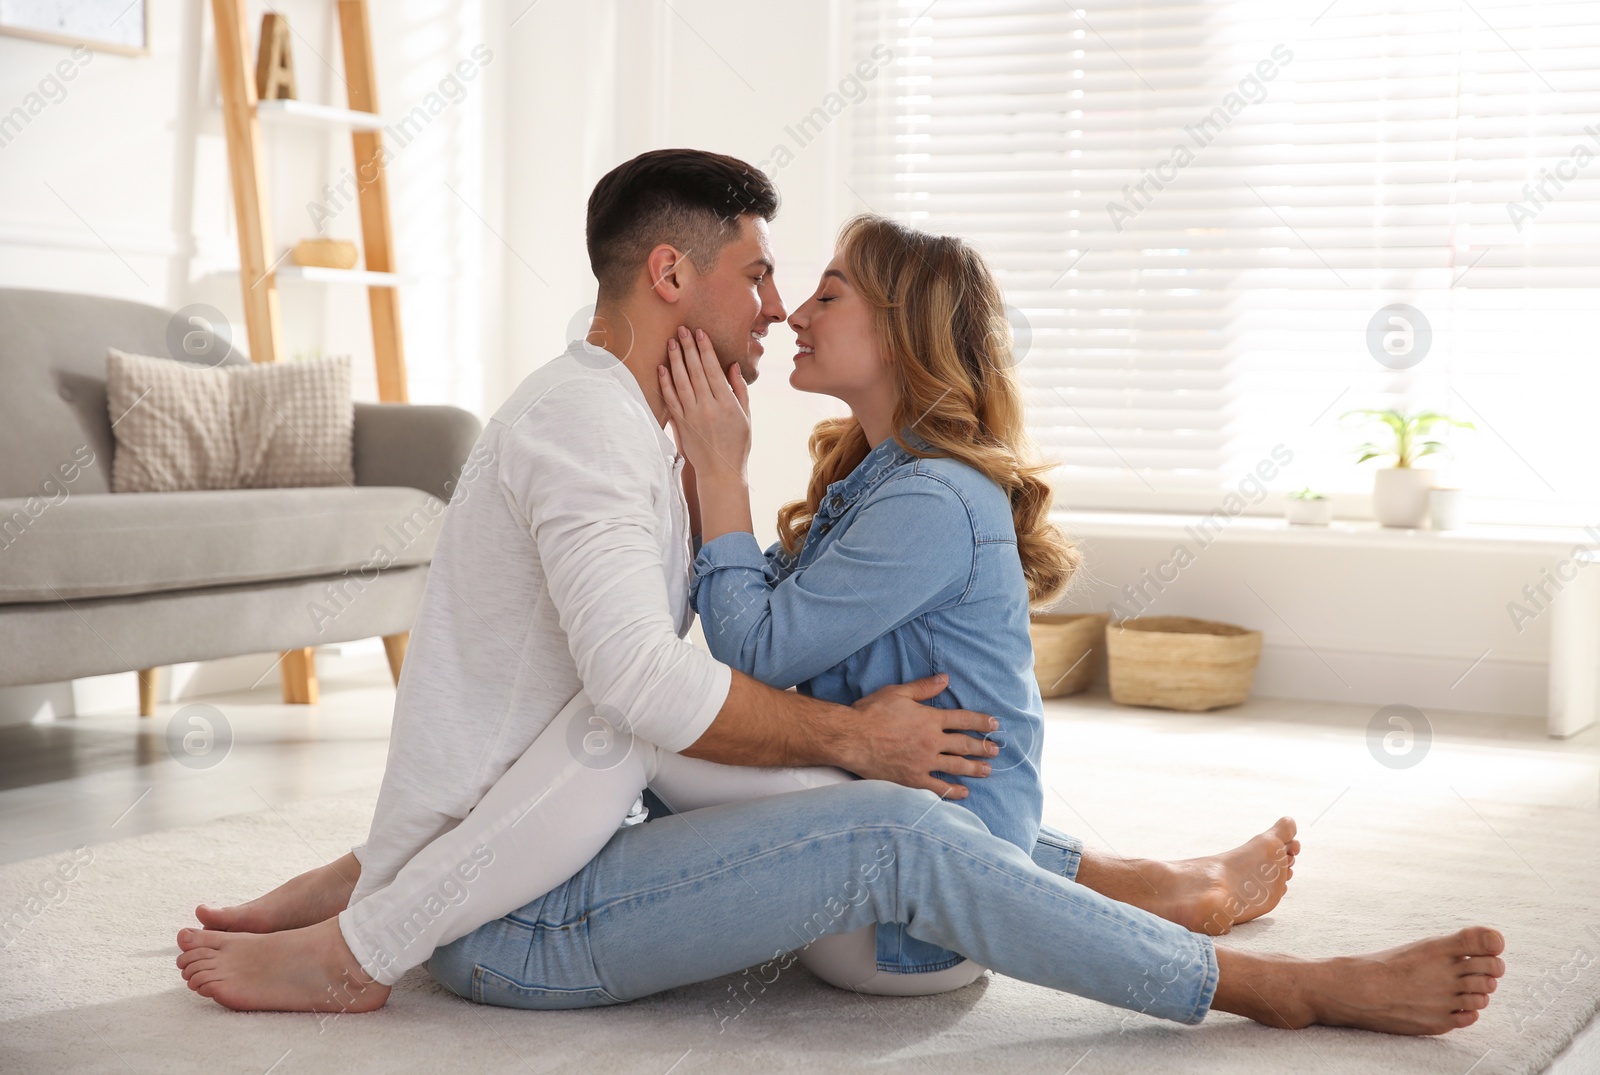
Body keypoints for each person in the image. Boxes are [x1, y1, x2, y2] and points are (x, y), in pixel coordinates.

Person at [175, 152, 1504, 1036]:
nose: (776, 313)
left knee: (755, 752)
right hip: (513, 924)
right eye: (763, 278)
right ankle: (1278, 989)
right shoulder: (595, 434)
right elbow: (660, 694)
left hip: (538, 861)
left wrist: (716, 492)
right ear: (672, 278)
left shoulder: (638, 429)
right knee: (846, 798)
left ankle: (373, 892)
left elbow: (644, 697)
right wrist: (855, 734)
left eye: (809, 291)